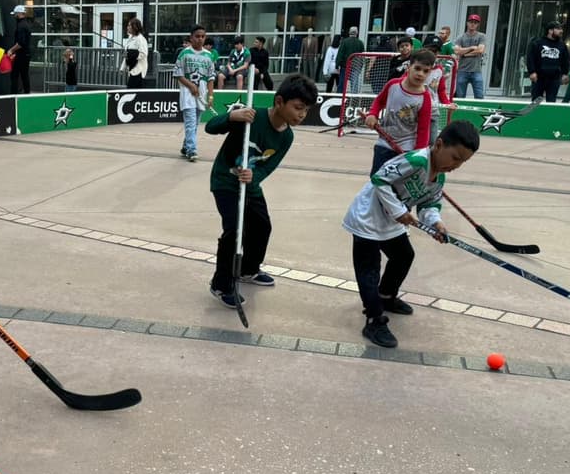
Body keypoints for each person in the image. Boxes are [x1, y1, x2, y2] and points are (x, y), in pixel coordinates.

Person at [344, 120, 480, 349]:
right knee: (369, 270)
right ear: (439, 145)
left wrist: (435, 222)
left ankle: (386, 297)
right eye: (455, 157)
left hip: (391, 222)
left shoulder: (439, 178)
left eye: (462, 162)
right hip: (367, 218)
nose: (456, 165)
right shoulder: (415, 161)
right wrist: (398, 210)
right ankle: (374, 320)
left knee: (403, 256)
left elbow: (428, 205)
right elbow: (379, 179)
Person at [204, 75, 317, 308]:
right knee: (234, 230)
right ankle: (221, 284)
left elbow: (268, 166)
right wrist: (232, 116)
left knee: (262, 227)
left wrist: (255, 176)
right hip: (226, 182)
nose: (302, 115)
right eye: (298, 108)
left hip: (251, 186)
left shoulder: (287, 136)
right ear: (279, 102)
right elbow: (210, 127)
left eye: (306, 110)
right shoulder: (250, 117)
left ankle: (248, 270)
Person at [361, 48, 437, 174]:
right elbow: (379, 101)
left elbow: (423, 129)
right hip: (384, 143)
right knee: (377, 178)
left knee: (398, 181)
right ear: (409, 67)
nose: (420, 74)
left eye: (426, 71)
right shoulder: (393, 85)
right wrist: (372, 114)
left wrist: (418, 154)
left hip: (406, 148)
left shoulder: (425, 98)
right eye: (417, 68)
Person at [173, 25, 216, 162]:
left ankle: (186, 146)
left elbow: (211, 78)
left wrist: (210, 96)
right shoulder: (184, 53)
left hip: (201, 94)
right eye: (197, 36)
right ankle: (192, 150)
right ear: (191, 38)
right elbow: (178, 74)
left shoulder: (209, 56)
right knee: (191, 122)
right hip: (187, 94)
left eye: (203, 36)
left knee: (195, 123)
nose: (200, 39)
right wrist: (190, 85)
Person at [526, 21, 570, 103]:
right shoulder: (538, 43)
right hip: (539, 77)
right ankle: (535, 112)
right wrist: (532, 72)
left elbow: (566, 60)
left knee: (551, 102)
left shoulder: (562, 45)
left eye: (561, 29)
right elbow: (530, 58)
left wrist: (565, 73)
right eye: (558, 29)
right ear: (550, 31)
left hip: (554, 79)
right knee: (536, 101)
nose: (561, 31)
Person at [452, 15, 487, 98]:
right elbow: (456, 51)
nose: (473, 24)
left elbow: (480, 50)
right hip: (462, 71)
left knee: (479, 96)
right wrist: (471, 48)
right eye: (471, 22)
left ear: (478, 24)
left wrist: (465, 54)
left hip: (476, 71)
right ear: (467, 23)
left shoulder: (481, 36)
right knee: (460, 96)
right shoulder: (460, 37)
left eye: (475, 23)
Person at [6, 4, 34, 94]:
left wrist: (11, 50)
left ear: (19, 14)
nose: (14, 16)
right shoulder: (26, 24)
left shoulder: (21, 26)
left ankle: (13, 95)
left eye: (15, 14)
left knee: (14, 75)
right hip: (26, 54)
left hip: (21, 54)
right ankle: (26, 93)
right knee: (24, 75)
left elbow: (20, 43)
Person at [121, 18, 149, 89]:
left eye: (129, 25)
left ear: (135, 27)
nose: (127, 27)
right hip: (131, 69)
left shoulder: (141, 39)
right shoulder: (130, 38)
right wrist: (122, 68)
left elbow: (144, 54)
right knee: (133, 91)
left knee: (131, 90)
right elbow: (127, 53)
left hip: (138, 70)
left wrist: (131, 54)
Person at [336, 26, 365, 93]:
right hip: (356, 66)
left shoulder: (344, 42)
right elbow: (362, 56)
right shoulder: (360, 43)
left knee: (342, 83)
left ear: (349, 32)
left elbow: (340, 54)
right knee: (354, 84)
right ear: (357, 33)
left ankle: (339, 97)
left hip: (345, 65)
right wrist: (361, 66)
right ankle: (353, 98)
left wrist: (337, 65)